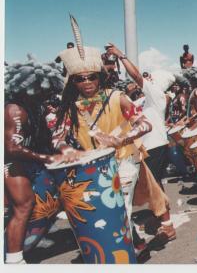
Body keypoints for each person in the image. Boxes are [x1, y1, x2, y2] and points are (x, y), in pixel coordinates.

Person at [53, 17, 154, 260]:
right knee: (107, 215)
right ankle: (132, 247)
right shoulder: (69, 108)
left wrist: (123, 138)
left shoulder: (117, 97)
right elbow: (58, 138)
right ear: (72, 81)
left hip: (125, 161)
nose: (87, 82)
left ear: (100, 77)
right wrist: (68, 150)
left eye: (91, 77)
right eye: (80, 78)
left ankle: (124, 255)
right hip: (93, 169)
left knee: (122, 211)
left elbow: (145, 123)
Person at [107, 43, 177, 246]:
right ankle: (162, 218)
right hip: (148, 148)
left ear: (157, 83)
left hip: (155, 146)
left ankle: (168, 225)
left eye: (150, 78)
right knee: (155, 186)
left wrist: (121, 56)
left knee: (154, 187)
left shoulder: (156, 96)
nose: (145, 79)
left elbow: (136, 77)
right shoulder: (145, 101)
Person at [4, 59, 72, 264]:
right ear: (27, 86)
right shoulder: (15, 109)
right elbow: (11, 148)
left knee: (55, 195)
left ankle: (31, 238)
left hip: (28, 160)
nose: (47, 93)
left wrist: (63, 150)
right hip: (10, 161)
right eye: (43, 88)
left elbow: (44, 139)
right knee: (24, 205)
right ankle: (13, 260)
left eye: (49, 88)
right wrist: (47, 157)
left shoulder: (37, 107)